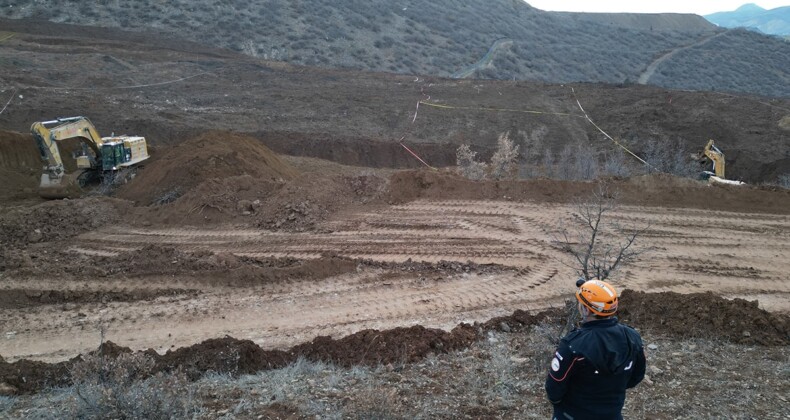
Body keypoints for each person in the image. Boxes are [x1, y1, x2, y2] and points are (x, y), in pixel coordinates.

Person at [545, 279, 646, 420]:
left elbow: (554, 389)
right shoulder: (632, 337)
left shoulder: (573, 345)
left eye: (581, 304)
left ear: (586, 310)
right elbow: (636, 377)